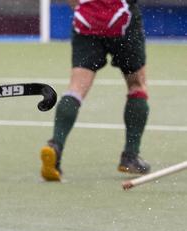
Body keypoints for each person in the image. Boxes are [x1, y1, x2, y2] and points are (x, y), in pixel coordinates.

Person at [40, 0, 150, 181]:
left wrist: (83, 6)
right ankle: (130, 156)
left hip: (87, 21)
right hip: (123, 20)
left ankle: (55, 146)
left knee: (76, 88)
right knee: (137, 86)